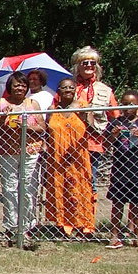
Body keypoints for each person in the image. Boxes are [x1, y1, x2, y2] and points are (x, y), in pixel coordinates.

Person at [0, 72, 46, 248]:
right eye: (16, 85)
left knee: (29, 188)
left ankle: (27, 227)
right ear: (10, 86)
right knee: (9, 189)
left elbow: (42, 128)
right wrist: (4, 117)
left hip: (30, 150)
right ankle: (11, 226)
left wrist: (26, 126)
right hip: (8, 151)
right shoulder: (1, 103)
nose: (20, 88)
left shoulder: (33, 104)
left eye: (23, 85)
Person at [103, 92, 138, 248]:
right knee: (117, 203)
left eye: (132, 104)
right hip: (120, 169)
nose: (128, 108)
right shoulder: (115, 123)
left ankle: (137, 235)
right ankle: (114, 235)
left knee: (137, 204)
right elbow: (105, 145)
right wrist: (114, 136)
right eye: (125, 104)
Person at [41, 78, 95, 239]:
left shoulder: (83, 107)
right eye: (64, 87)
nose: (68, 90)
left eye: (71, 87)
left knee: (80, 187)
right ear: (59, 90)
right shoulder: (52, 109)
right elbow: (46, 131)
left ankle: (82, 224)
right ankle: (62, 224)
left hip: (78, 155)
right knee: (59, 188)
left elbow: (93, 129)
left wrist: (85, 117)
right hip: (57, 156)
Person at [71, 46, 116, 192]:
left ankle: (89, 213)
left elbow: (115, 118)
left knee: (90, 182)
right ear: (77, 66)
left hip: (94, 144)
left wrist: (109, 140)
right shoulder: (68, 88)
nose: (89, 66)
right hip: (70, 142)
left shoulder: (105, 90)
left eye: (92, 63)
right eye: (85, 63)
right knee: (71, 182)